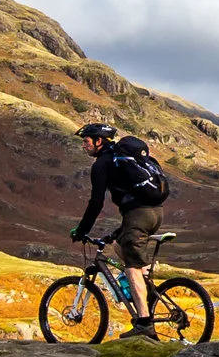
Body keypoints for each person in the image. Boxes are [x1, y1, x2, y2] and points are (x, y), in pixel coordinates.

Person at [70, 122, 168, 338]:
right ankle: (145, 286)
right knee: (118, 245)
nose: (84, 146)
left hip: (138, 214)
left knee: (132, 266)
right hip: (155, 212)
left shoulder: (102, 164)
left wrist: (81, 230)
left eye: (86, 142)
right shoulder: (119, 160)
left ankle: (144, 324)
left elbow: (96, 203)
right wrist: (117, 231)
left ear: (98, 141)